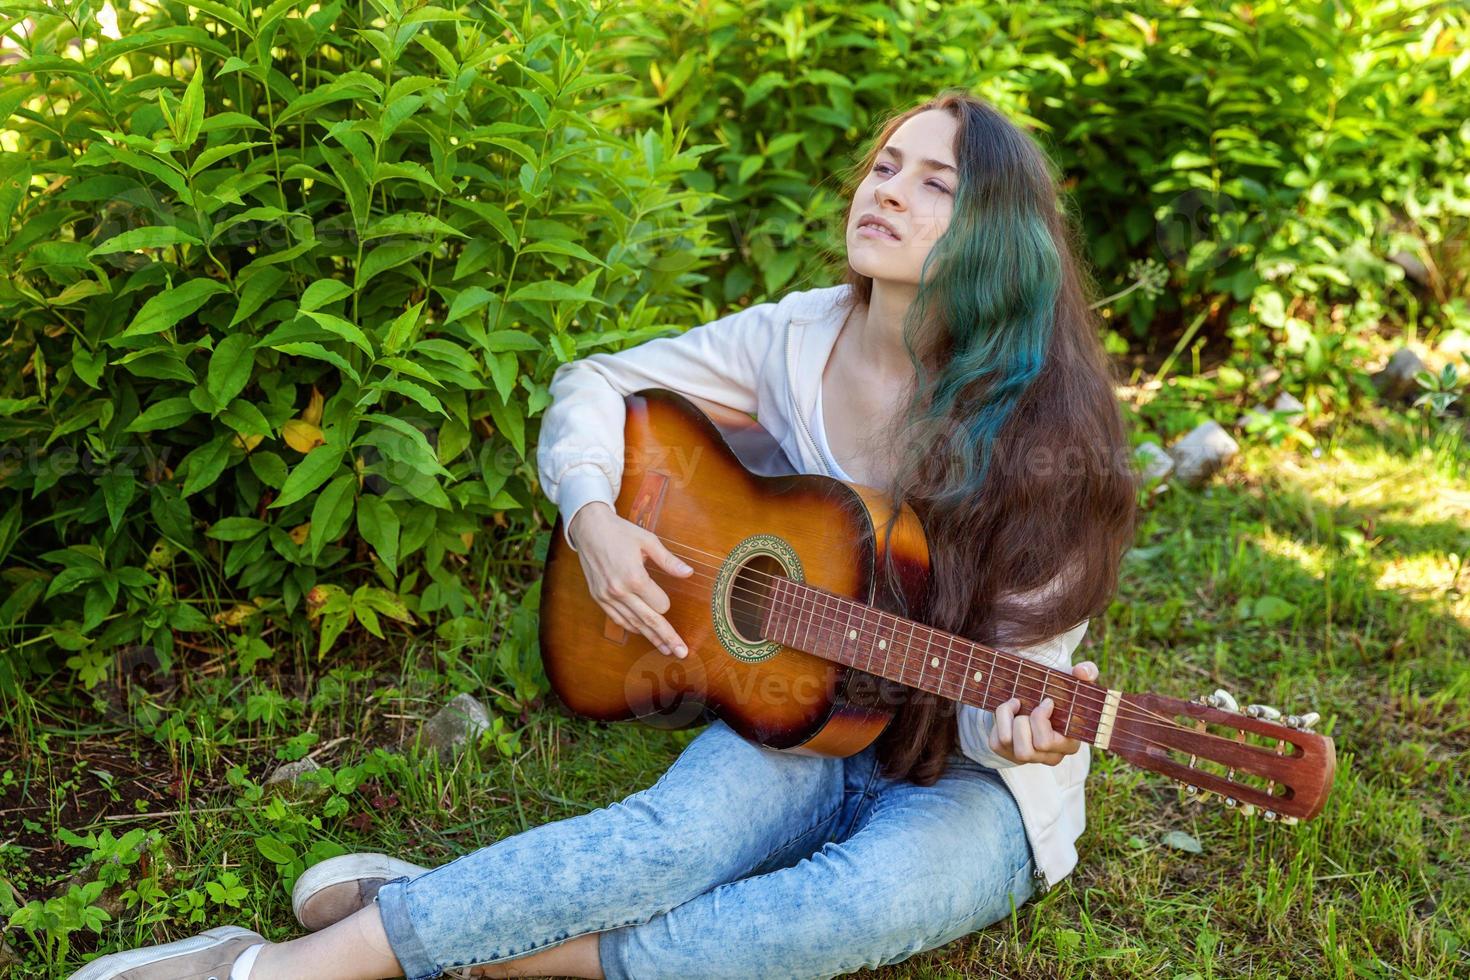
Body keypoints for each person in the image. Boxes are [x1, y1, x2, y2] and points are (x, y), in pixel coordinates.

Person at [69, 89, 1137, 980]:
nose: (888, 190)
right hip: (803, 699)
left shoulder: (1049, 434)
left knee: (830, 912)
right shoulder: (800, 334)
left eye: (934, 182)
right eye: (884, 165)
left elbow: (1016, 686)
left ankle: (453, 923)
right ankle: (268, 969)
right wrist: (592, 518)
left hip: (977, 776)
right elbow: (601, 380)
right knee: (670, 841)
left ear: (997, 229)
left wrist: (1023, 730)